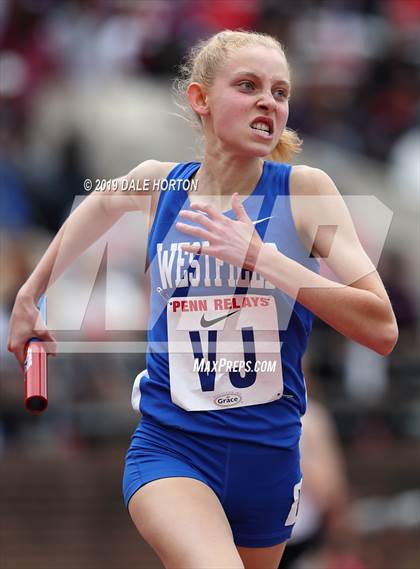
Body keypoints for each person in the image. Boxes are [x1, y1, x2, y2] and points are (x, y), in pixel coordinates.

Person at [8, 30, 398, 569]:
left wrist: (263, 258)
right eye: (248, 85)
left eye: (280, 92)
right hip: (173, 447)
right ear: (201, 100)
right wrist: (30, 297)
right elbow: (97, 205)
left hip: (269, 458)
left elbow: (381, 329)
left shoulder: (305, 192)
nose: (269, 101)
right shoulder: (159, 186)